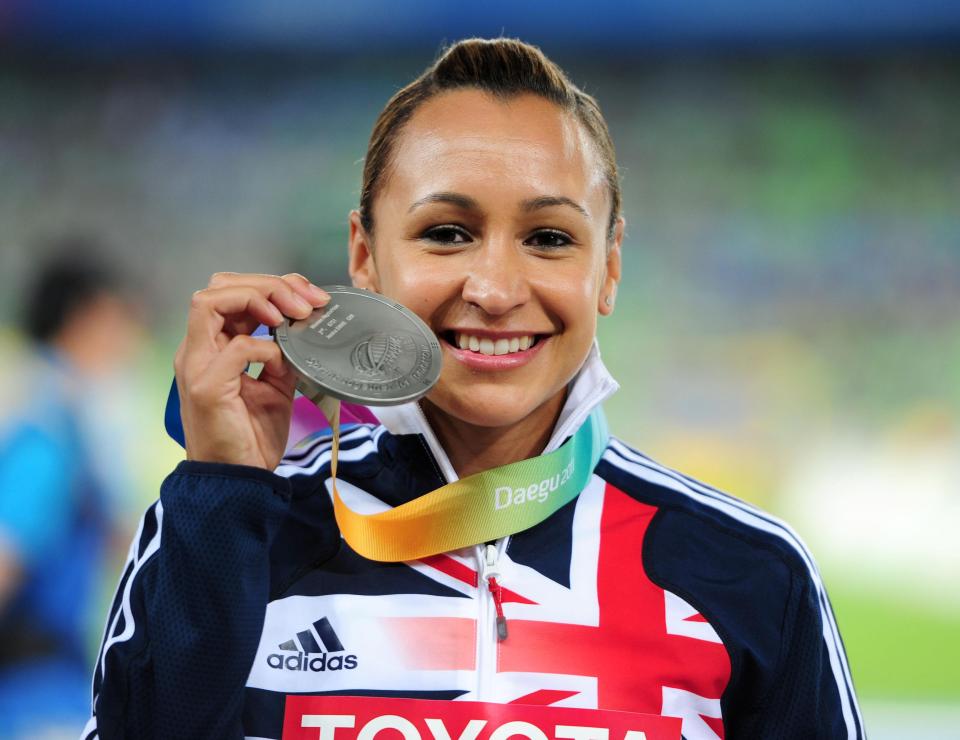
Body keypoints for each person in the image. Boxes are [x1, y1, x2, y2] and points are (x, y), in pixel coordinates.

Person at [83, 38, 864, 740]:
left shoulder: (751, 572)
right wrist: (221, 493)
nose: (494, 288)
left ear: (610, 266)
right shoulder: (235, 534)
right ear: (364, 257)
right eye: (446, 233)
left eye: (550, 239)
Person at [0, 244, 142, 739]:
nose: (129, 342)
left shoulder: (61, 417)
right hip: (31, 697)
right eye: (119, 321)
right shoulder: (47, 429)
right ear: (83, 319)